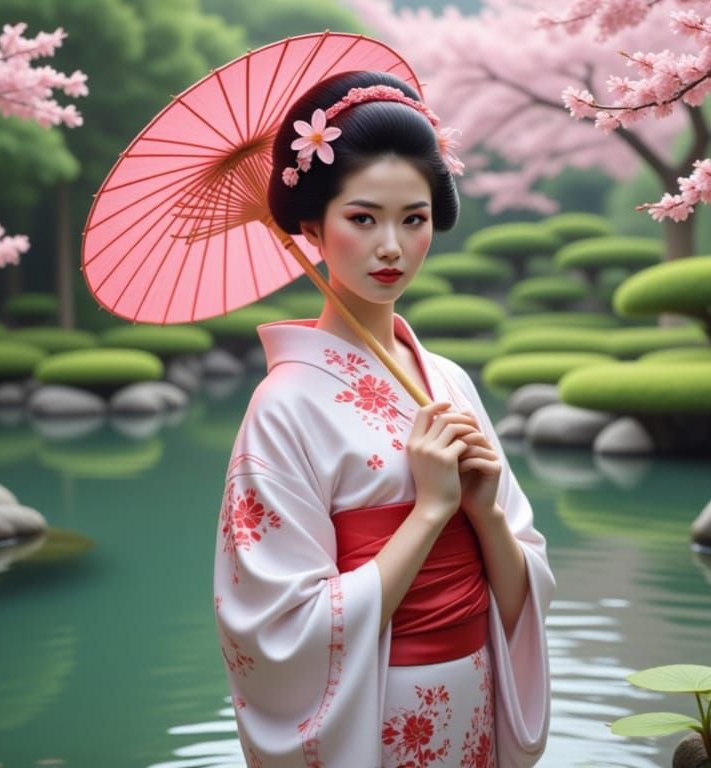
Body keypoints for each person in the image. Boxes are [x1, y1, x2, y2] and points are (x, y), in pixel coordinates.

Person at [213, 69, 556, 768]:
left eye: (415, 218)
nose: (392, 247)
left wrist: (486, 515)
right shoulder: (283, 407)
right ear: (312, 226)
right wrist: (431, 511)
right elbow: (277, 630)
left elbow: (526, 590)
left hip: (475, 692)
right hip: (374, 712)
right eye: (362, 218)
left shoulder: (449, 382)